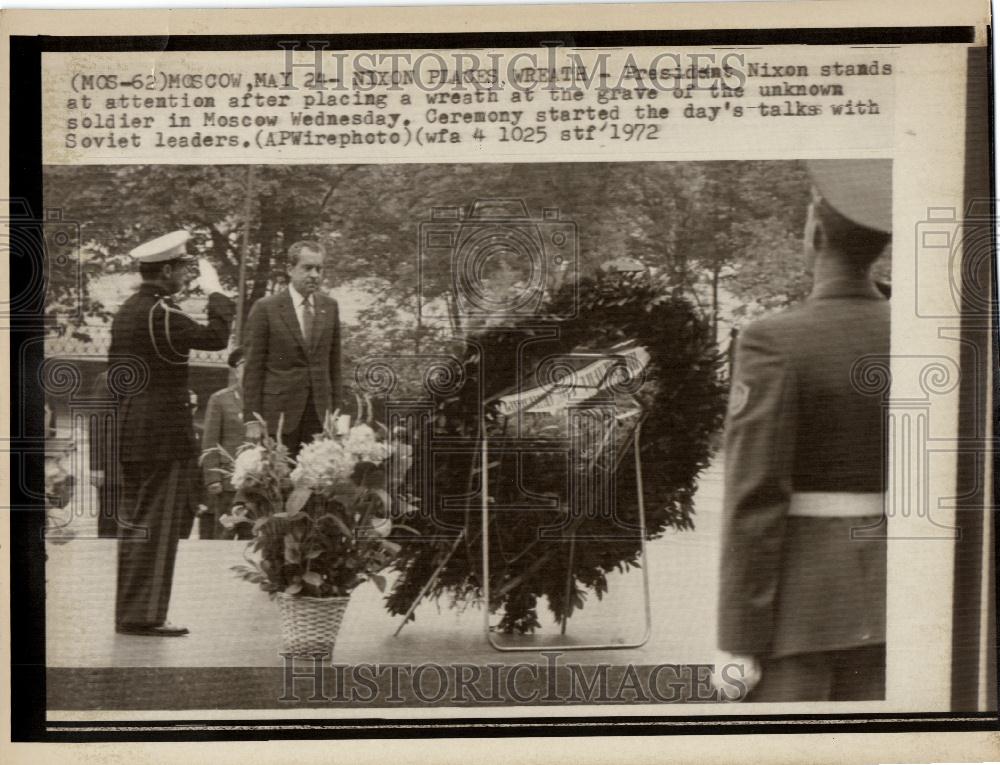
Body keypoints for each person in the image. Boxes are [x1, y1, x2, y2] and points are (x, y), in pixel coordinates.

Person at [716, 159, 892, 702]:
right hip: (902, 603)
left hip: (801, 612)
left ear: (813, 233)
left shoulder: (775, 340)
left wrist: (738, 638)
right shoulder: (925, 332)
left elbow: (755, 495)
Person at [110, 230, 234, 637]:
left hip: (135, 429)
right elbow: (215, 338)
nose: (186, 273)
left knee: (137, 525)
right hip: (161, 435)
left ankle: (133, 612)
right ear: (166, 270)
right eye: (182, 267)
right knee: (157, 526)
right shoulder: (161, 313)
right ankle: (143, 616)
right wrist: (216, 293)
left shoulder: (129, 309)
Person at [242, 240, 342, 453]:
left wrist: (338, 415)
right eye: (307, 268)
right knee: (280, 480)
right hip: (278, 415)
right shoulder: (266, 308)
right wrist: (251, 418)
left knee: (317, 480)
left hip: (319, 415)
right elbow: (253, 368)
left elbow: (335, 365)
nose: (315, 274)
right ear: (290, 270)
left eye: (319, 268)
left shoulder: (330, 307)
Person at [201, 347, 251, 540]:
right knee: (224, 535)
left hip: (258, 486)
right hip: (228, 484)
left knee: (254, 539)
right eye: (244, 365)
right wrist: (213, 477)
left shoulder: (269, 401)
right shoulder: (221, 399)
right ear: (236, 370)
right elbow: (210, 441)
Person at [88, 370, 121, 538]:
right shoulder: (108, 379)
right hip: (115, 470)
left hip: (147, 470)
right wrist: (96, 467)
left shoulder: (156, 378)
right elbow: (97, 424)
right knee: (111, 524)